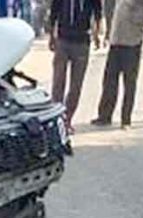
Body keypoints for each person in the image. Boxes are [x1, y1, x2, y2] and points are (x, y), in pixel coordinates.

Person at [91, 0, 143, 128]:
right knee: (109, 80)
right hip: (116, 39)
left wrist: (141, 20)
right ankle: (105, 116)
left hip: (132, 40)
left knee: (129, 82)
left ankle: (126, 119)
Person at [49, 0, 102, 133]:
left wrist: (96, 34)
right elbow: (54, 11)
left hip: (82, 41)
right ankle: (56, 119)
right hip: (63, 40)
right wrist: (51, 36)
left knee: (76, 85)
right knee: (58, 82)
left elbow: (98, 12)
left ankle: (67, 120)